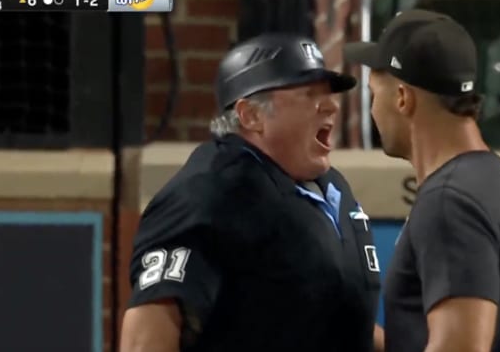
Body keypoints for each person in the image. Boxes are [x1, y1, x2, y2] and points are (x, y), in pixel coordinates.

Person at [121, 33, 385, 352]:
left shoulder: (330, 186)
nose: (330, 105)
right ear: (251, 115)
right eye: (308, 94)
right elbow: (147, 334)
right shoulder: (209, 191)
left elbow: (336, 320)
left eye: (329, 93)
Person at [343, 9, 500, 352]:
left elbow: (461, 346)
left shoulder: (449, 203)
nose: (372, 110)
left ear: (403, 98)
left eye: (374, 93)